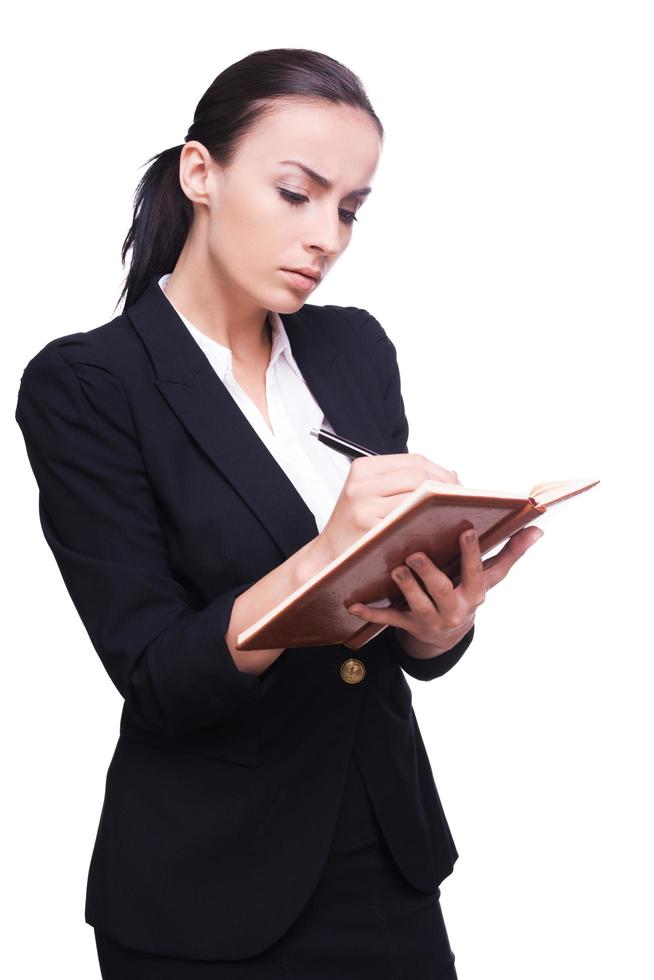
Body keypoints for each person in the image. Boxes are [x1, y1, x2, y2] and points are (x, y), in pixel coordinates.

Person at [14, 48, 544, 979]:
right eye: (297, 193)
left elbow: (384, 637)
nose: (328, 236)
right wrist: (322, 554)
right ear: (200, 173)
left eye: (350, 208)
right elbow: (154, 673)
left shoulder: (353, 348)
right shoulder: (89, 384)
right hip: (205, 885)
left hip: (385, 856)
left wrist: (437, 623)